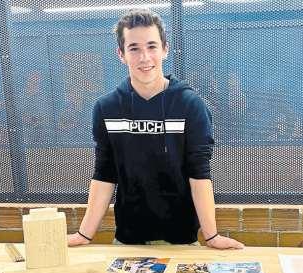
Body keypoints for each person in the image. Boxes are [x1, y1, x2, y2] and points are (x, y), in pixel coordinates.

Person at [68, 9, 243, 250]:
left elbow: (199, 174)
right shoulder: (106, 108)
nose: (144, 57)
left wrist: (211, 236)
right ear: (121, 54)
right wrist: (84, 235)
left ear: (165, 49)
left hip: (182, 241)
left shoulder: (190, 105)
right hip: (128, 242)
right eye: (134, 48)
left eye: (152, 46)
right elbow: (104, 174)